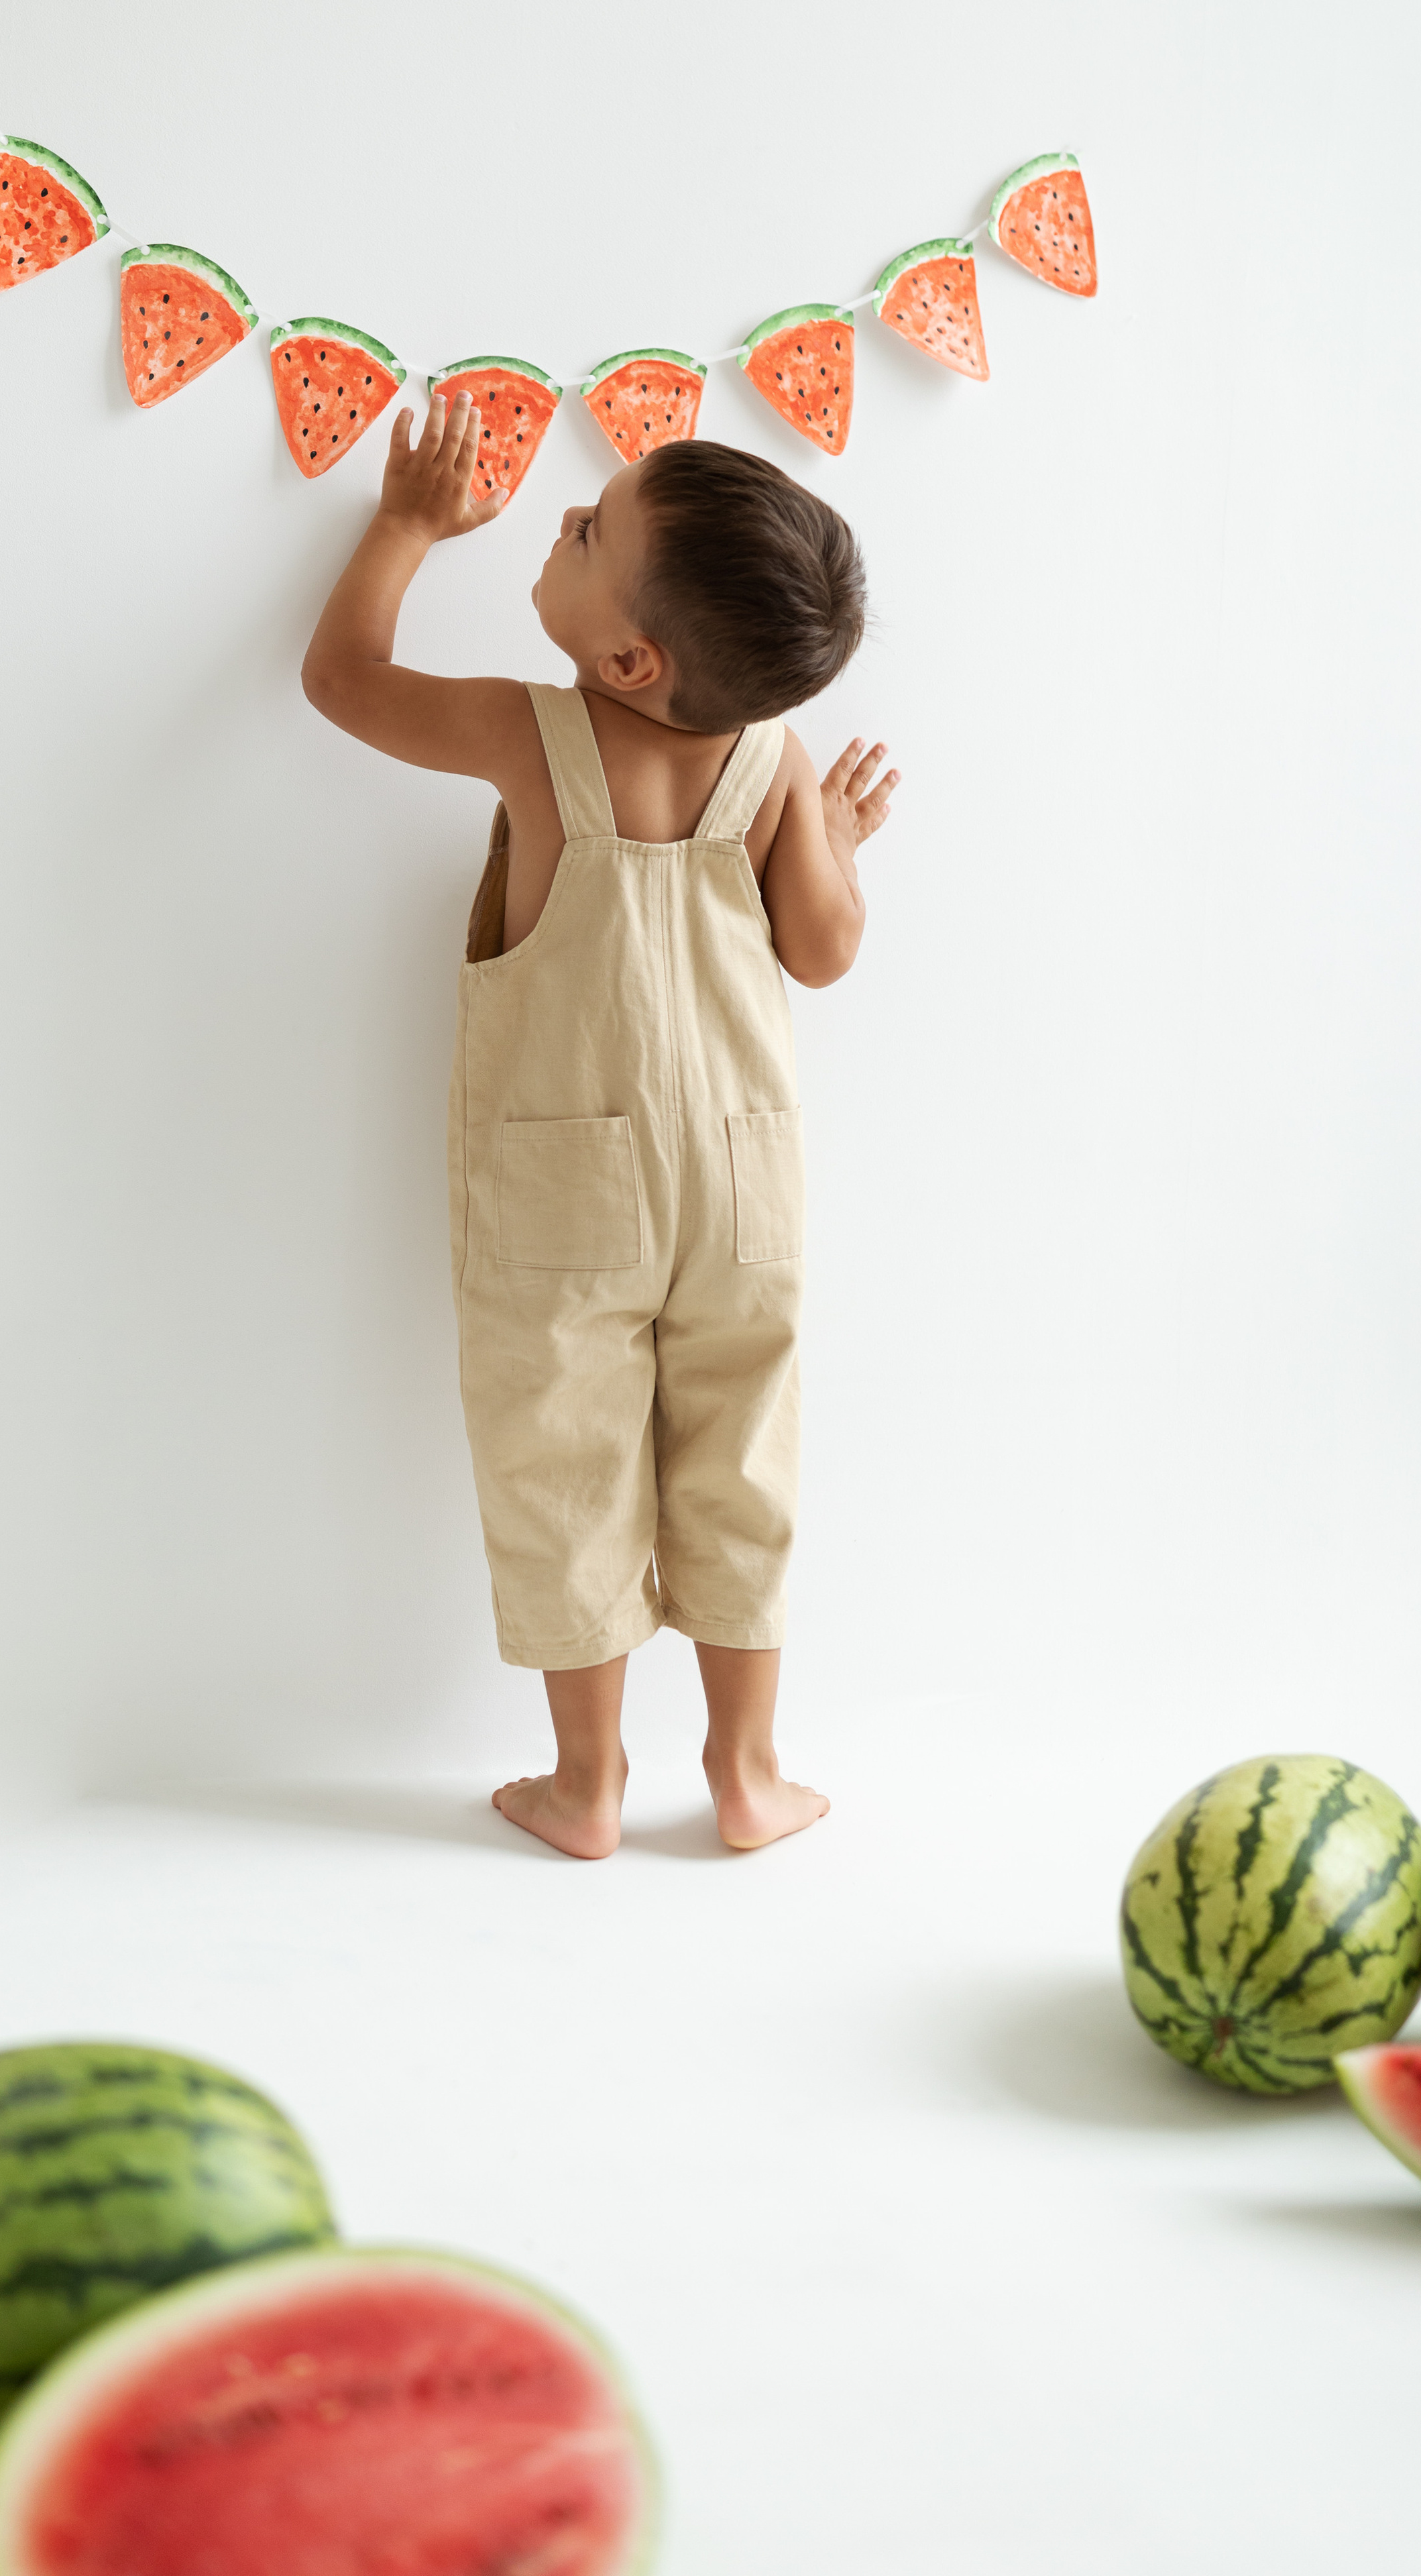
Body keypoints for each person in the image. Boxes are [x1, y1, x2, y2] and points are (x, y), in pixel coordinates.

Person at [302, 390, 897, 1858]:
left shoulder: (533, 734)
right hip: (742, 1182)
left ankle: (585, 1787)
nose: (564, 515)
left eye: (586, 533)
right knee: (741, 1453)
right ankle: (748, 1776)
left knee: (560, 1452)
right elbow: (822, 953)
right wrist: (825, 838)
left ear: (628, 660)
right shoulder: (770, 764)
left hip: (562, 1184)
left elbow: (343, 679)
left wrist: (404, 526)